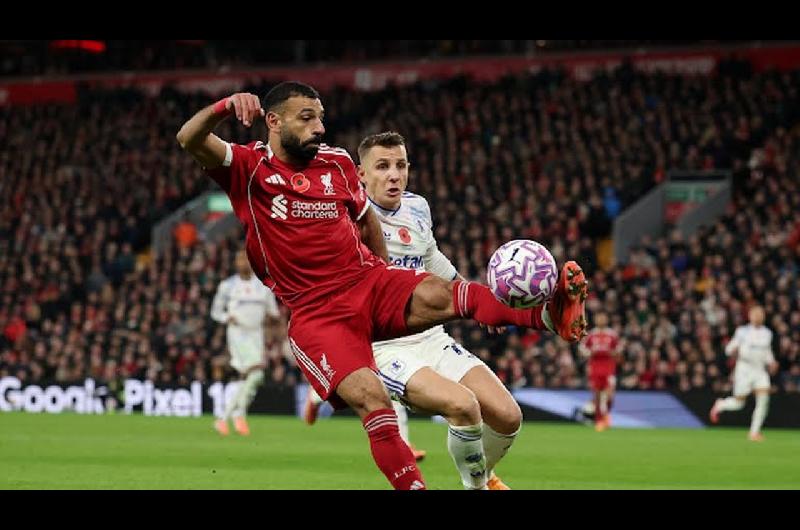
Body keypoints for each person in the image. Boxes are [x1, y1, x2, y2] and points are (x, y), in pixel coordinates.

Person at [176, 82, 588, 490]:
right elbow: (189, 138)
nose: (319, 127)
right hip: (318, 314)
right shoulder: (248, 167)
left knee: (444, 294)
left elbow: (366, 219)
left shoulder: (336, 163)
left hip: (367, 282)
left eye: (321, 118)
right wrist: (225, 107)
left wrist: (383, 271)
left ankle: (547, 316)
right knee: (376, 404)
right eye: (307, 118)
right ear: (273, 121)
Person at [305, 132, 531, 489]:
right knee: (463, 406)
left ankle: (484, 477)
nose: (394, 175)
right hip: (383, 345)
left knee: (507, 415)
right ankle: (476, 486)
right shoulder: (345, 218)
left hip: (430, 336)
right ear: (361, 174)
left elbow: (431, 257)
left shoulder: (417, 207)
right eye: (382, 166)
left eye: (400, 165)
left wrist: (478, 301)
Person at [210, 249, 281, 436]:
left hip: (256, 335)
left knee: (249, 377)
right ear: (235, 263)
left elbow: (273, 313)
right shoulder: (227, 286)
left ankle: (226, 417)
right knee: (255, 374)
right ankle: (237, 415)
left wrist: (272, 319)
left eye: (246, 259)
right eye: (240, 259)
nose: (243, 263)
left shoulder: (263, 287)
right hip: (238, 334)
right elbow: (215, 312)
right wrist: (227, 317)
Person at [709, 306, 778, 441]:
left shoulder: (767, 333)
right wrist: (733, 350)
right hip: (744, 370)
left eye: (760, 314)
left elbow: (767, 351)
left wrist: (772, 362)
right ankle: (720, 404)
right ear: (750, 316)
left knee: (763, 401)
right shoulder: (742, 332)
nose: (758, 317)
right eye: (755, 314)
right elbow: (729, 349)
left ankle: (754, 432)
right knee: (739, 404)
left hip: (760, 371)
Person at [579, 311, 621, 432]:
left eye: (603, 317)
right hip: (595, 366)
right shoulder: (591, 334)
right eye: (599, 318)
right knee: (597, 395)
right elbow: (582, 348)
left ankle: (606, 416)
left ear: (606, 319)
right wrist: (588, 353)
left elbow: (619, 348)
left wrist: (614, 353)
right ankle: (599, 420)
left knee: (610, 395)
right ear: (596, 320)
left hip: (609, 367)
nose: (601, 320)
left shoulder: (612, 334)